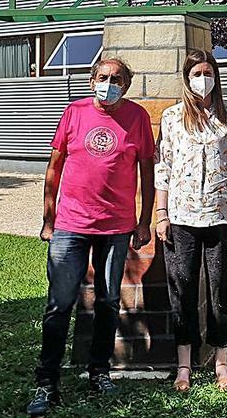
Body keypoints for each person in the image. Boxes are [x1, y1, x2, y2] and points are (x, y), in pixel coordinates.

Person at [27, 58, 155, 415]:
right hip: (71, 225)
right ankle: (47, 381)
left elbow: (147, 173)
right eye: (102, 77)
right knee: (59, 304)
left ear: (126, 85)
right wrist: (48, 219)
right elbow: (55, 166)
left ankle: (99, 371)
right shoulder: (74, 112)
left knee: (108, 301)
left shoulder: (138, 118)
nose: (108, 83)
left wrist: (143, 221)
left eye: (116, 79)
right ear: (91, 79)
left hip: (115, 227)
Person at [155, 49, 227, 392]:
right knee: (182, 288)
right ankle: (184, 363)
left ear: (216, 75)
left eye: (207, 72)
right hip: (181, 216)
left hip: (222, 215)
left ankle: (221, 361)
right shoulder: (171, 118)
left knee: (222, 289)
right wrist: (161, 213)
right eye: (196, 73)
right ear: (186, 78)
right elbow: (163, 167)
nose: (202, 79)